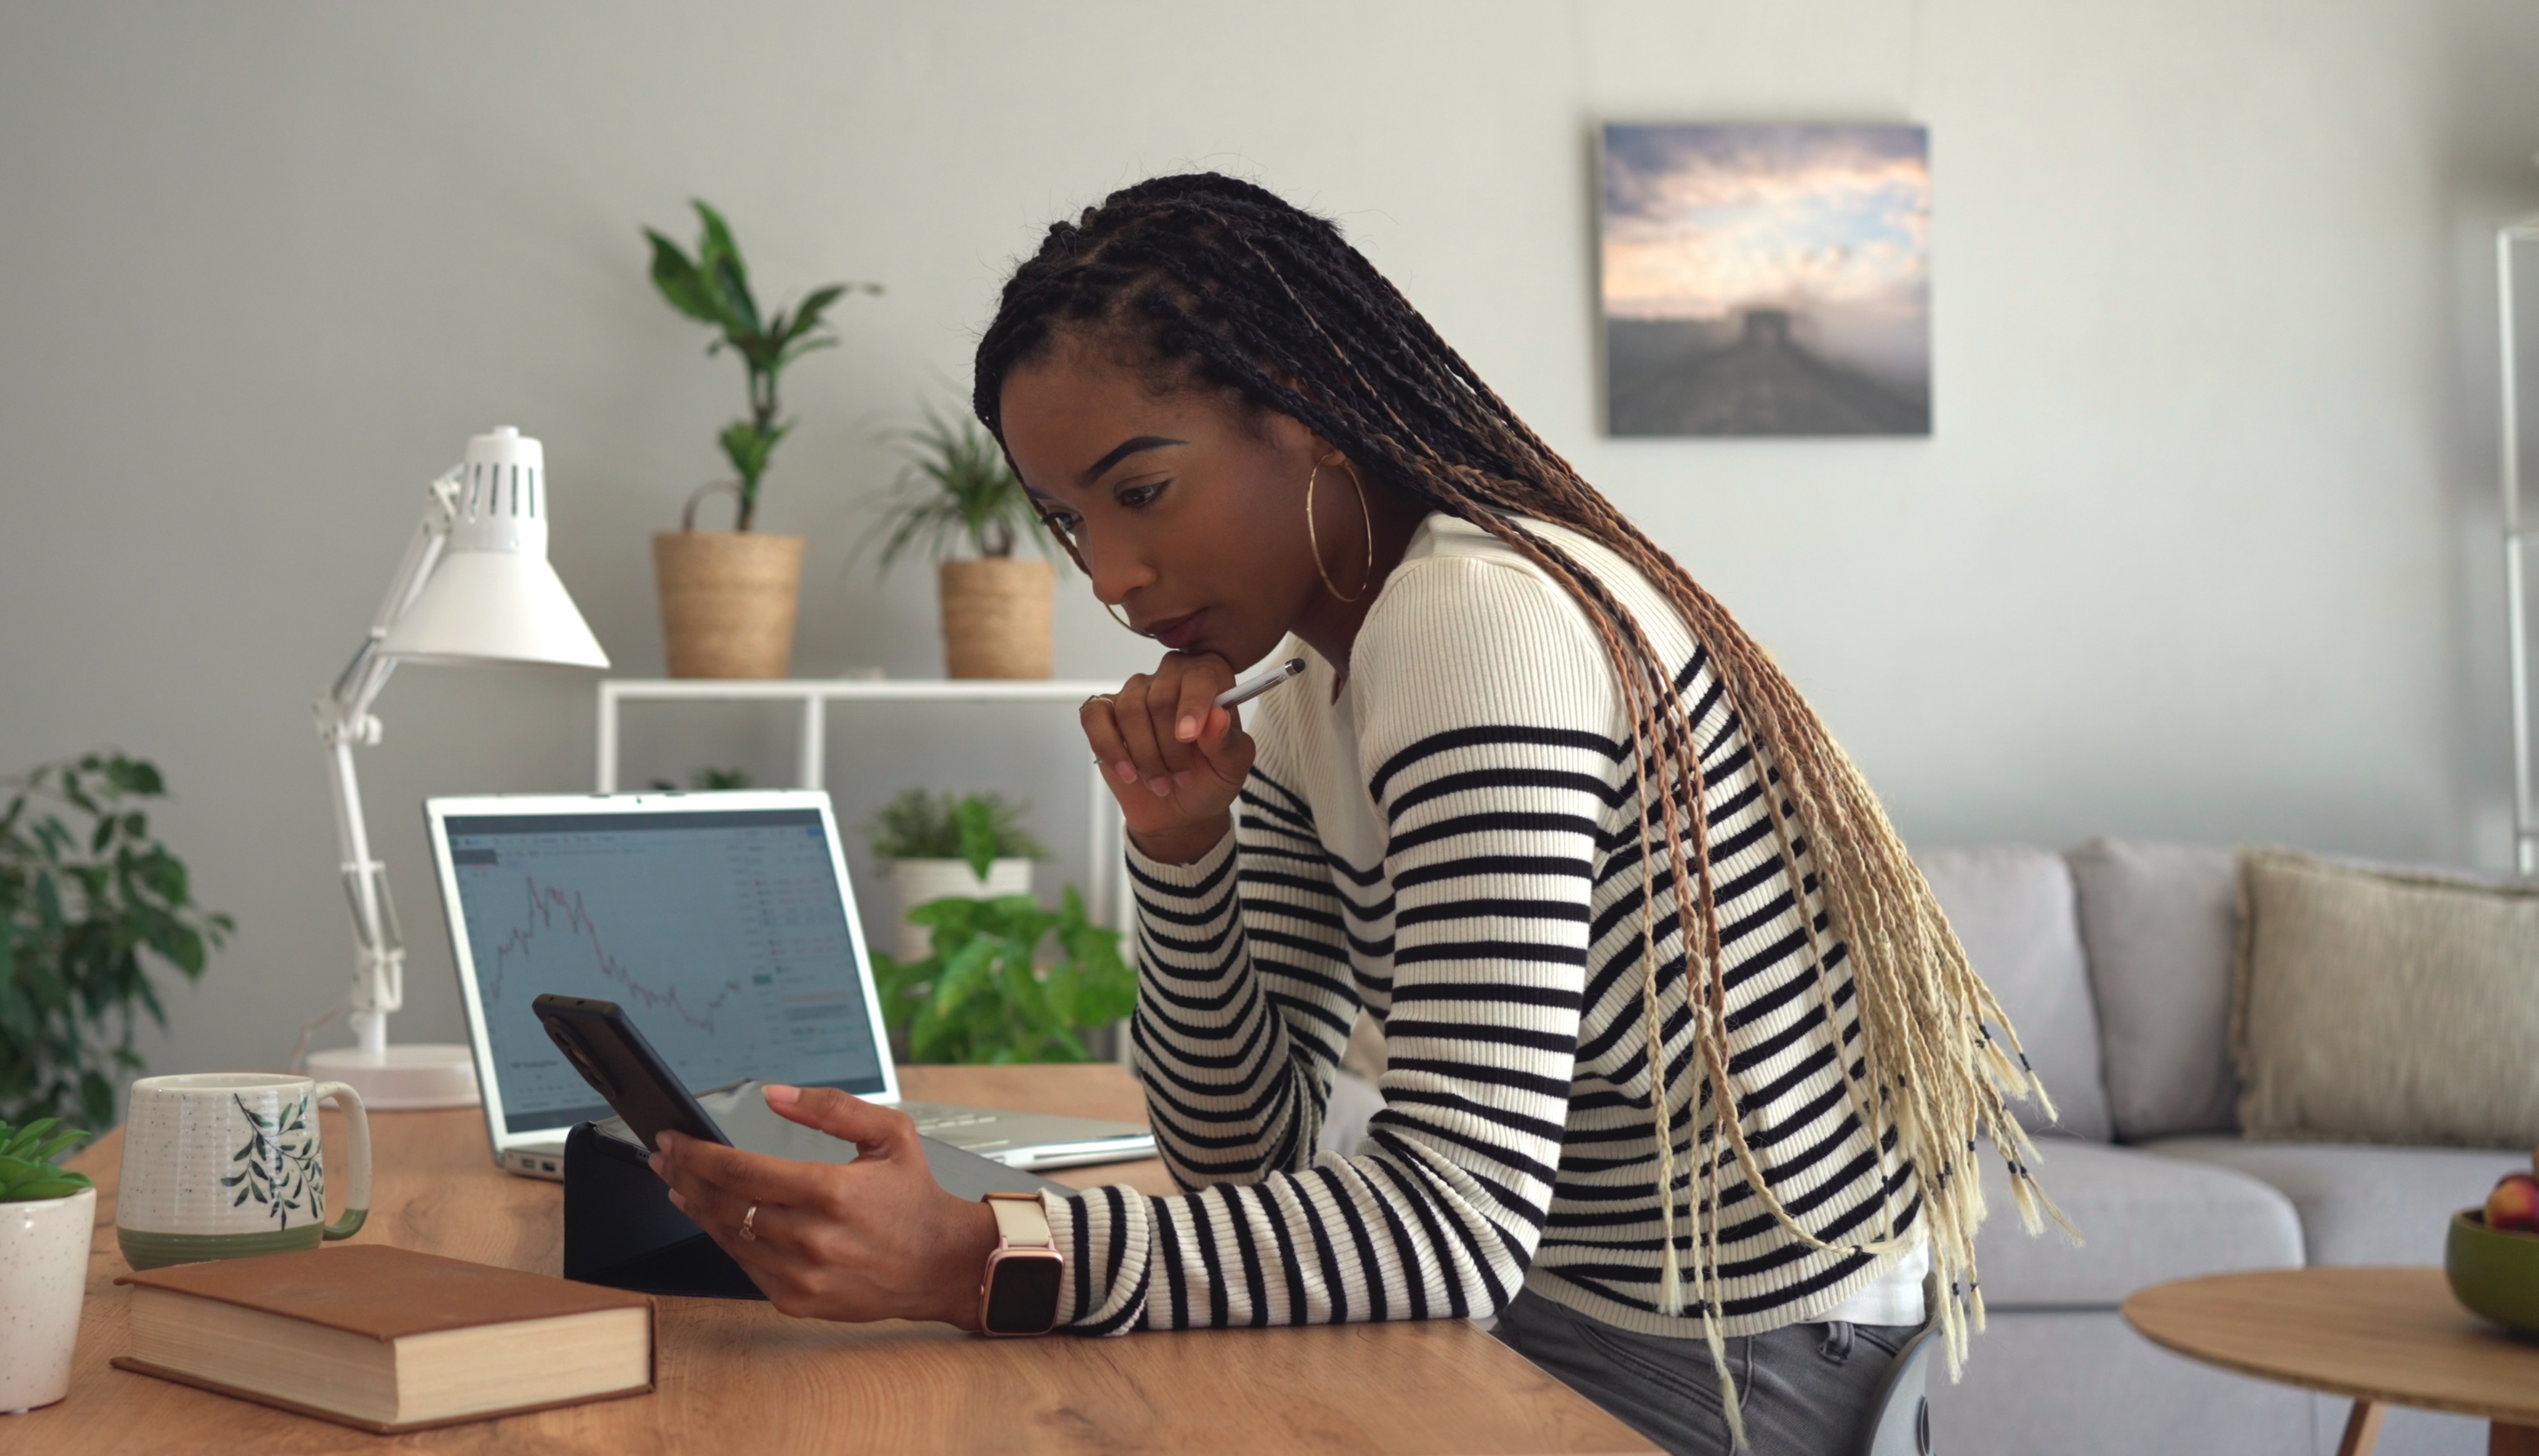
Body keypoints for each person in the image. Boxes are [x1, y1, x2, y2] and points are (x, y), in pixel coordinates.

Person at [646, 173, 2063, 1456]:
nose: (1112, 577)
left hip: (1744, 1359)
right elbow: (1243, 1151)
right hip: (1584, 1306)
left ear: (1307, 405)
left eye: (1142, 489)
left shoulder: (1473, 618)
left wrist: (980, 1257)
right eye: (1073, 522)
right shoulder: (1320, 671)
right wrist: (1183, 854)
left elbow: (1449, 1225)